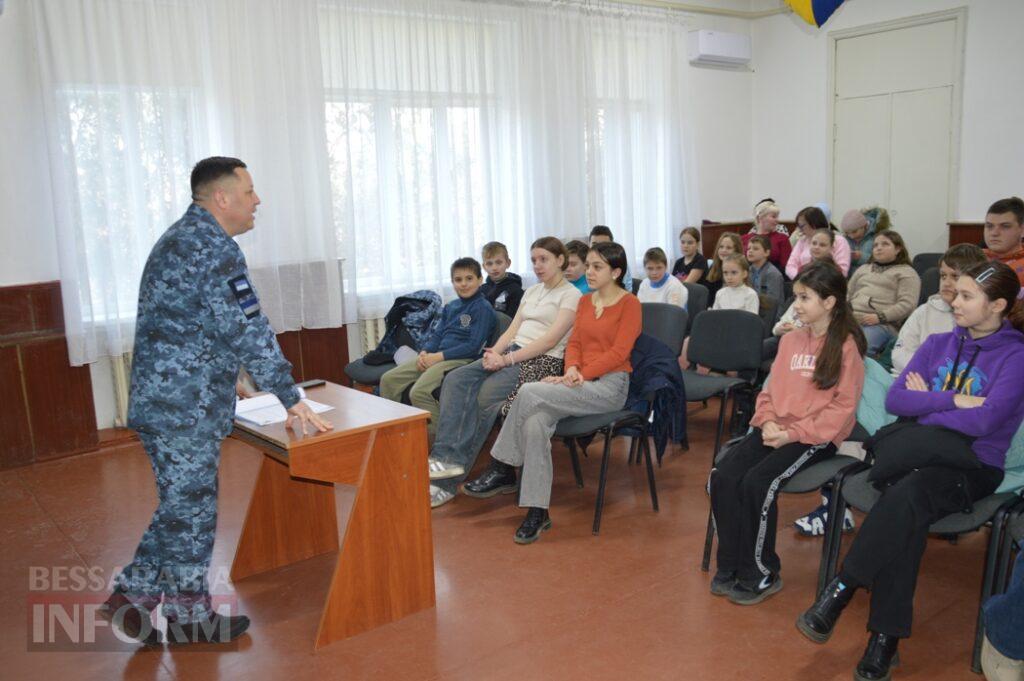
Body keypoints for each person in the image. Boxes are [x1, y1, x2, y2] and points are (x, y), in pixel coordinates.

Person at [101, 157, 332, 646]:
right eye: (249, 191)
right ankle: (137, 596)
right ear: (221, 198)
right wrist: (291, 396)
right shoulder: (213, 248)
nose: (257, 200)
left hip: (173, 396)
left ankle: (183, 614)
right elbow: (246, 326)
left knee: (188, 508)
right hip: (182, 406)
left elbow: (192, 322)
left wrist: (229, 379)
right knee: (188, 509)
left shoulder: (181, 239)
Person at [797, 261, 1024, 681]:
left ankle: (843, 590)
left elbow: (988, 422)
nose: (954, 300)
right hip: (920, 454)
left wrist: (930, 407)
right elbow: (900, 401)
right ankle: (882, 638)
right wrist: (953, 401)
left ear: (998, 306)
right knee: (908, 508)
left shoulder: (1017, 355)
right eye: (956, 291)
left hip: (974, 465)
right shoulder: (938, 343)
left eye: (967, 295)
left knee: (905, 499)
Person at [462, 242, 641, 544]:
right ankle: (537, 510)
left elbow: (619, 352)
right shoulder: (585, 303)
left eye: (597, 266)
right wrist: (571, 369)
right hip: (577, 380)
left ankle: (503, 465)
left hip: (609, 386)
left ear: (617, 272)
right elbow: (574, 345)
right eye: (590, 265)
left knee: (531, 391)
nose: (589, 271)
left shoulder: (629, 304)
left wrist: (581, 373)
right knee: (534, 424)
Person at [709, 260, 866, 604]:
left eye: (805, 297)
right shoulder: (792, 340)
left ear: (829, 302)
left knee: (758, 482)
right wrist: (765, 420)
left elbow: (841, 411)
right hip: (773, 428)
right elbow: (768, 390)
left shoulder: (846, 347)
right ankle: (731, 564)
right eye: (796, 296)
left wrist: (792, 434)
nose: (796, 304)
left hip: (813, 438)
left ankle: (761, 573)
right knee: (723, 476)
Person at [425, 237, 581, 508]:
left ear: (560, 260)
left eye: (544, 259)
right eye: (534, 260)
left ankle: (447, 481)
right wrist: (494, 353)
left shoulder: (571, 295)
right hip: (510, 353)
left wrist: (506, 359)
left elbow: (549, 341)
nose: (538, 265)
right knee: (455, 379)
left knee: (484, 395)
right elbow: (512, 329)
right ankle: (442, 461)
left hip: (540, 361)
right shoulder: (532, 292)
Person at [379, 258, 495, 438]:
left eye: (469, 278)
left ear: (480, 280)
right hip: (437, 356)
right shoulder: (451, 306)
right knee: (388, 380)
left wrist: (438, 357)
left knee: (419, 392)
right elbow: (438, 334)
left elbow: (473, 347)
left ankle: (438, 439)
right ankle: (397, 435)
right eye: (458, 280)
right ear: (452, 282)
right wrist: (425, 352)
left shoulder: (483, 308)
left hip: (462, 360)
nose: (463, 284)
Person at [891, 243, 988, 374]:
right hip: (916, 376)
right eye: (943, 276)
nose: (946, 283)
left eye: (955, 277)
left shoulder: (982, 317)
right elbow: (900, 354)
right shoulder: (924, 311)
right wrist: (929, 372)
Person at [848, 230, 921, 355]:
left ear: (898, 249)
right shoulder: (863, 269)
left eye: (885, 244)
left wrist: (880, 317)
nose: (878, 248)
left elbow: (907, 305)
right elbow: (847, 294)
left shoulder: (907, 272)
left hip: (882, 324)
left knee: (858, 348)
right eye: (875, 245)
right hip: (852, 319)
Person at [787, 206, 851, 278]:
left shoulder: (839, 240)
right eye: (814, 243)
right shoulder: (802, 241)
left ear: (813, 224)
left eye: (802, 226)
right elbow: (790, 266)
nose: (800, 230)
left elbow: (843, 272)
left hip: (828, 283)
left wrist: (815, 282)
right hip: (803, 282)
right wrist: (802, 279)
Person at [742, 198, 792, 274]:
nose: (777, 220)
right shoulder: (744, 238)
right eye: (773, 217)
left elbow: (786, 267)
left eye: (777, 217)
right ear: (760, 218)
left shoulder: (782, 238)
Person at [983, 197, 1024, 286]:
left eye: (1005, 226)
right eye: (989, 226)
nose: (994, 233)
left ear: (1022, 230)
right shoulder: (972, 259)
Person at [479, 241, 524, 317]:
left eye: (499, 262)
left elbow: (512, 321)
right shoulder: (481, 290)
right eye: (489, 264)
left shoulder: (516, 291)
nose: (494, 268)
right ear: (484, 267)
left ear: (508, 263)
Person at [589, 225, 633, 291]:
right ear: (588, 244)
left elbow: (626, 290)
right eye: (594, 244)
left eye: (604, 244)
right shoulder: (583, 263)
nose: (598, 248)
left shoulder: (620, 263)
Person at [705, 232, 743, 306]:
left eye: (728, 248)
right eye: (721, 247)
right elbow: (709, 298)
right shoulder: (713, 267)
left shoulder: (741, 269)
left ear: (737, 251)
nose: (723, 250)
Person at [746, 235, 784, 305]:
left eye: (755, 249)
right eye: (748, 248)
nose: (750, 251)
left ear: (766, 253)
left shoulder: (773, 273)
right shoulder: (747, 270)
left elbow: (773, 303)